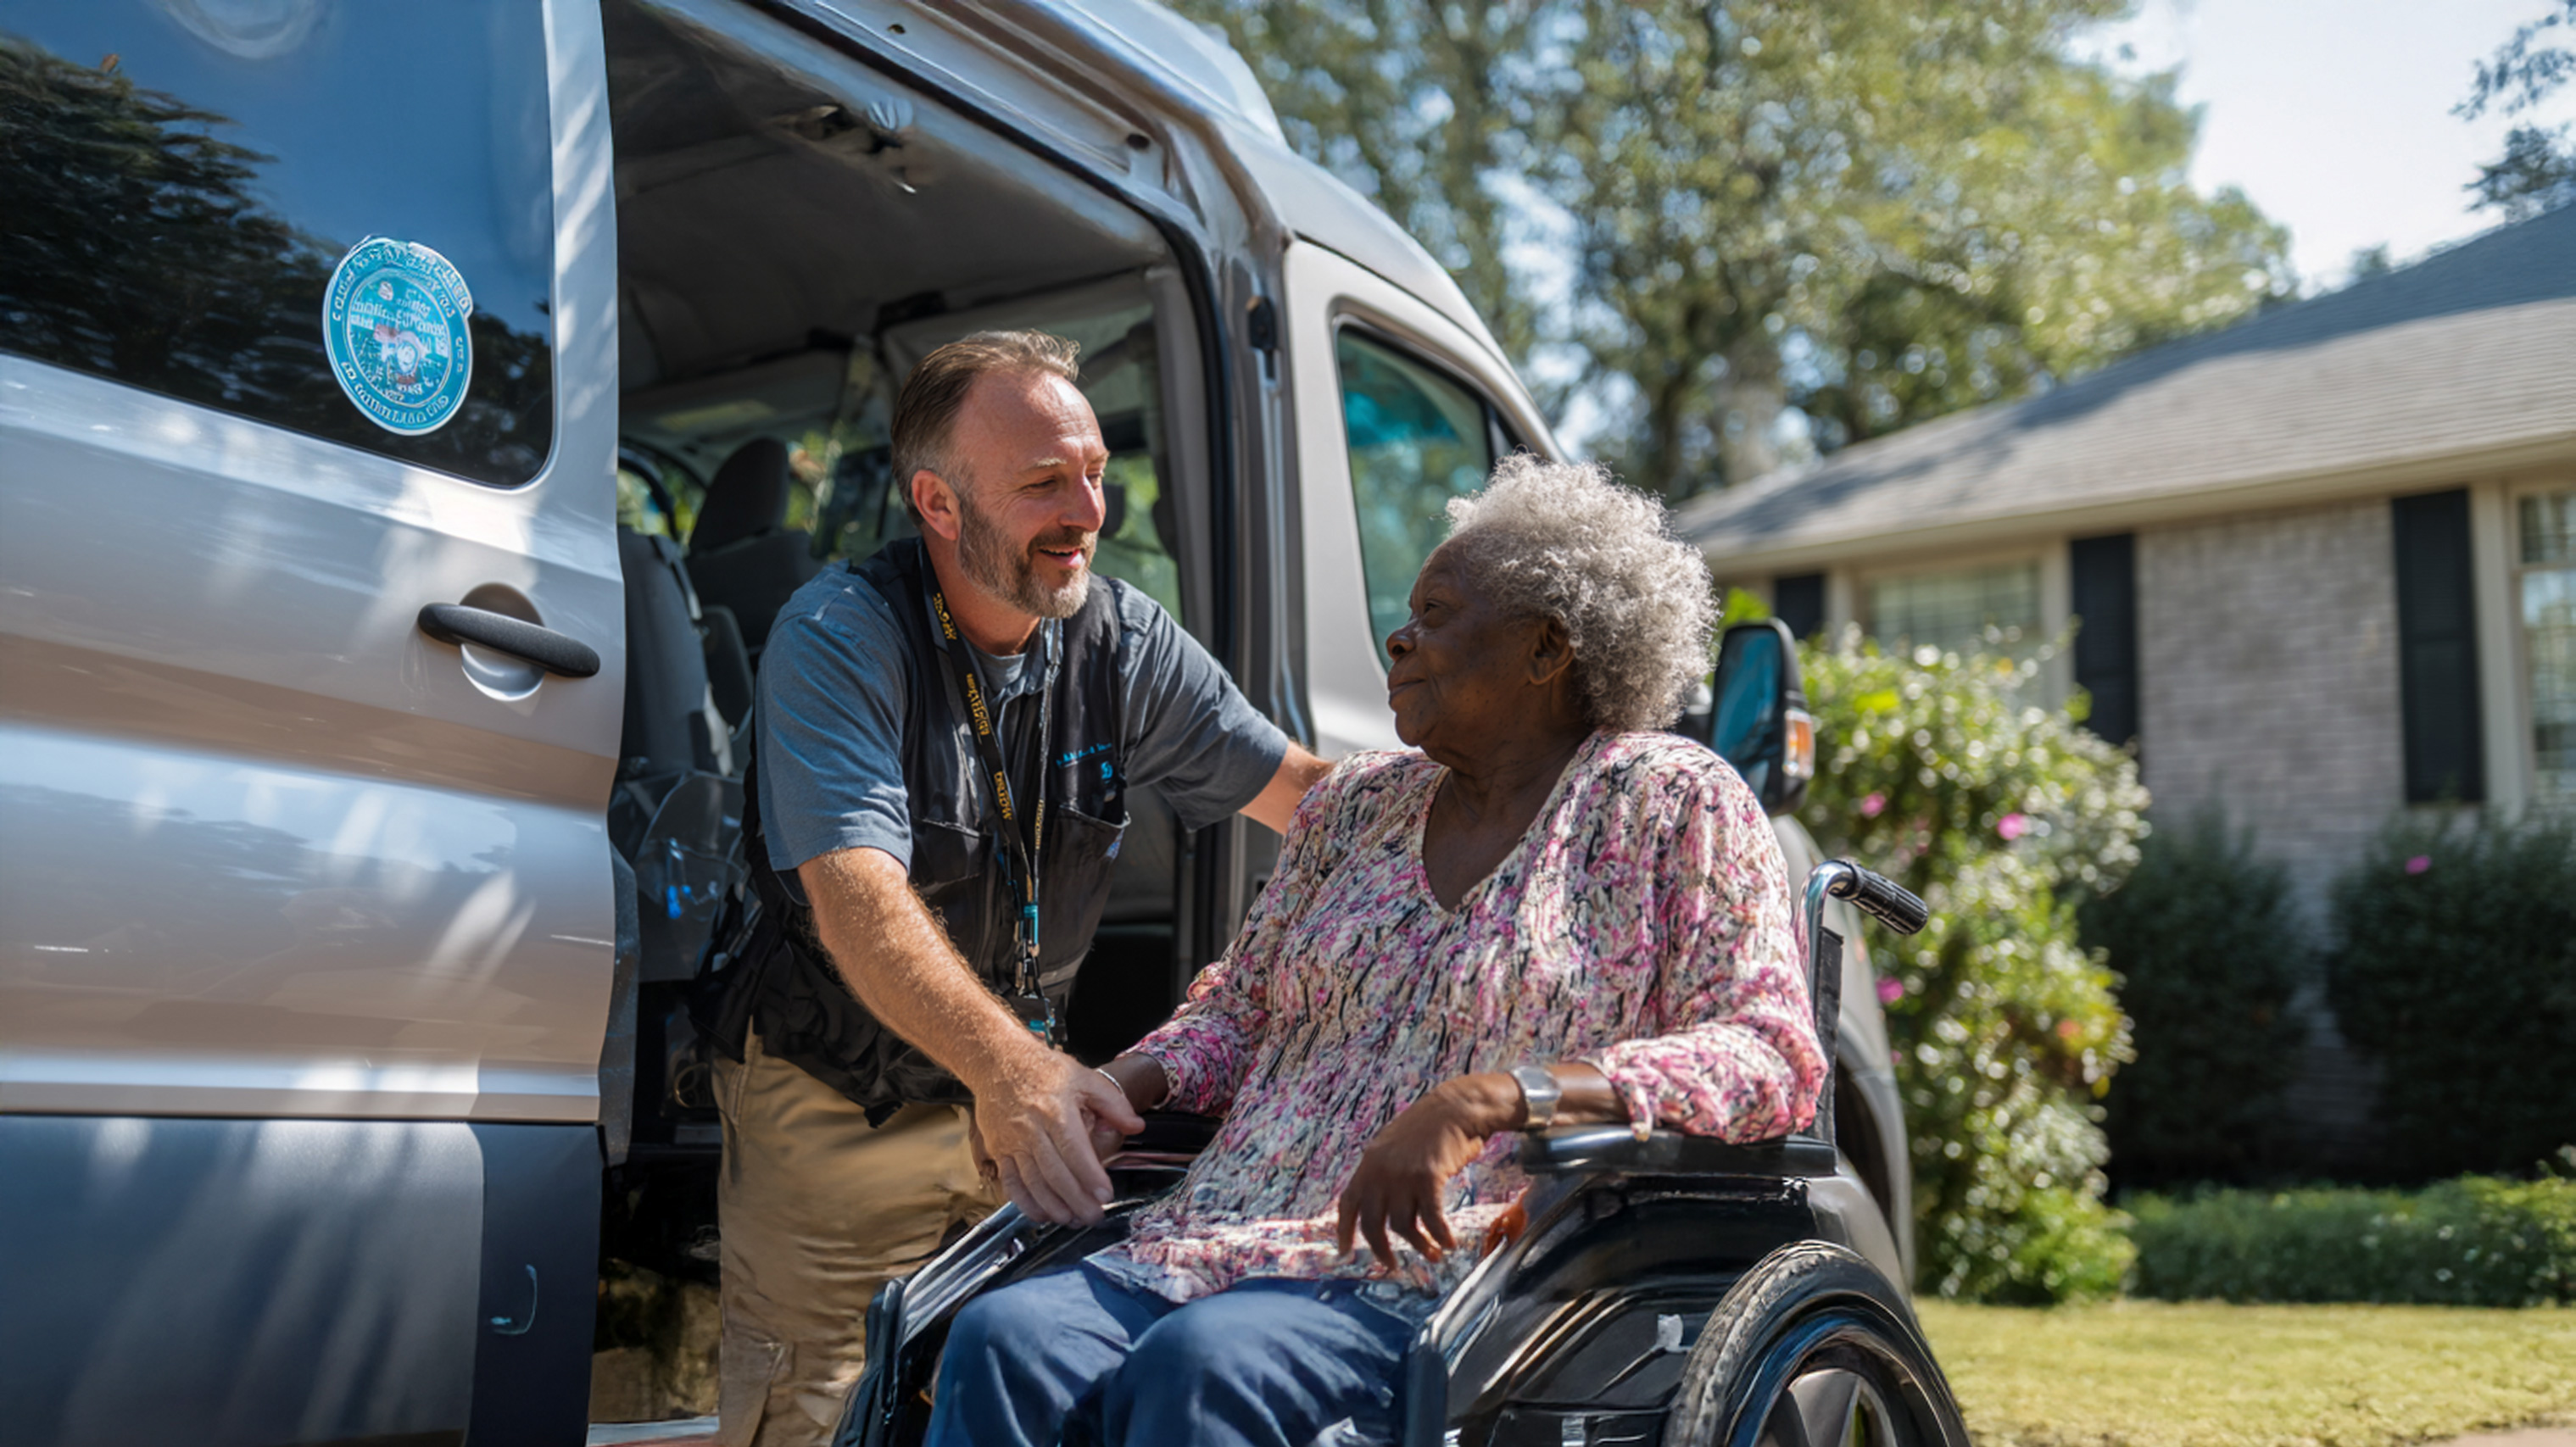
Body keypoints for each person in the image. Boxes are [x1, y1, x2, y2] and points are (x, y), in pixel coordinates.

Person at [923, 454, 1828, 1447]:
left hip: (1470, 1267)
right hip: (1224, 1226)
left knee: (1209, 1369)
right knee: (1002, 1336)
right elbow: (1239, 1013)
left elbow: (1764, 1053)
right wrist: (1113, 1087)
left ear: (1546, 648)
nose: (1400, 638)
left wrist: (1485, 1099)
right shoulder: (1356, 804)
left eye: (1436, 613)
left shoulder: (1668, 799)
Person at [709, 330, 1331, 1447]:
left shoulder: (1122, 635)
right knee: (817, 1414)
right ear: (938, 505)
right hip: (845, 1097)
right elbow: (856, 890)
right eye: (1045, 481)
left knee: (1011, 1401)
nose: (1088, 509)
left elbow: (1311, 798)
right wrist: (1011, 1066)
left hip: (1023, 1116)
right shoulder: (838, 633)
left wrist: (1551, 782)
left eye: (1095, 471)